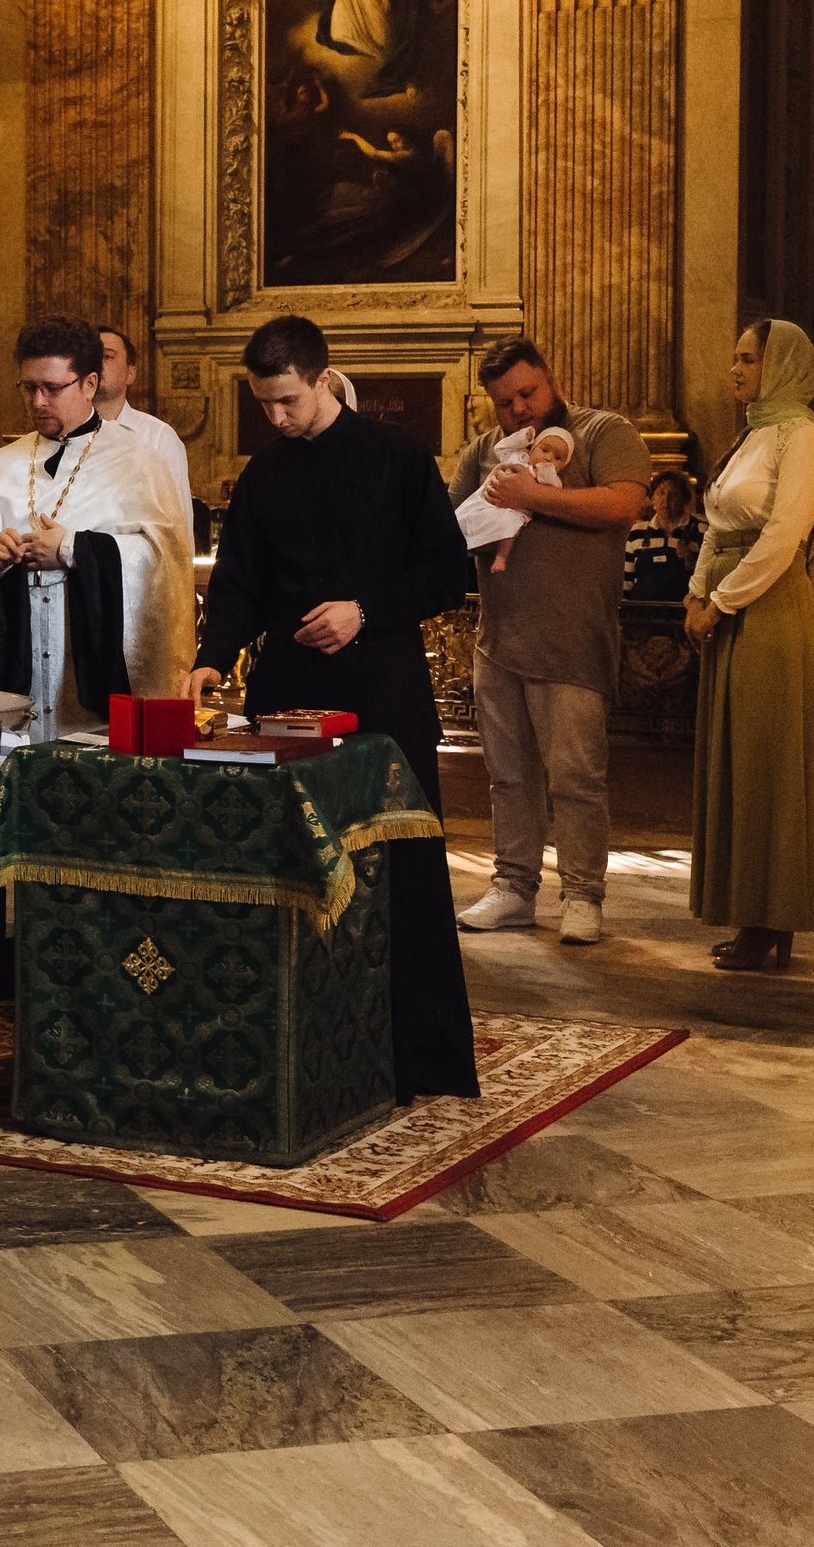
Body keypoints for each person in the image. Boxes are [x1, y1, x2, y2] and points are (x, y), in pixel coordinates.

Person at [183, 314, 479, 1101]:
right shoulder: (264, 474)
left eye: (285, 400)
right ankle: (295, 1039)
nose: (275, 418)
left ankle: (416, 1053)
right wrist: (212, 660)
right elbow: (241, 580)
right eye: (263, 404)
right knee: (292, 862)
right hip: (287, 691)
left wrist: (363, 610)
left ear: (321, 378)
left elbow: (448, 574)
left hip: (383, 689)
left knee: (402, 870)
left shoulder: (399, 459)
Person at [446, 337, 651, 947]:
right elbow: (448, 527)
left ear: (551, 376)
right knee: (508, 776)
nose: (520, 410)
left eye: (528, 393)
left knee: (575, 778)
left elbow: (624, 503)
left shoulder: (600, 430)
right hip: (499, 640)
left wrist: (532, 496)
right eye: (505, 402)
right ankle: (513, 887)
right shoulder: (483, 450)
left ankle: (583, 894)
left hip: (572, 640)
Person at [0, 318, 196, 738]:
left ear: (89, 384)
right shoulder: (0, 464)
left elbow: (166, 556)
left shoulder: (137, 459)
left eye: (53, 388)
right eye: (29, 387)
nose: (39, 402)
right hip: (19, 666)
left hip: (89, 678)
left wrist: (73, 549)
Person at [687, 318, 814, 969]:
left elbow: (782, 538)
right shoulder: (750, 434)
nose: (735, 370)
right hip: (729, 609)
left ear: (781, 367)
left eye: (748, 360)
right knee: (736, 760)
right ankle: (748, 908)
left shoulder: (803, 438)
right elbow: (718, 525)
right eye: (736, 358)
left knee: (767, 761)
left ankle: (776, 916)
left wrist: (721, 600)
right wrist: (696, 594)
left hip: (770, 611)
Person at [95, 326, 195, 525]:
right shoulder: (64, 433)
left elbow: (179, 523)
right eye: (90, 356)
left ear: (130, 373)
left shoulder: (159, 437)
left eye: (107, 356)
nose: (96, 363)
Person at [454, 423, 575, 573]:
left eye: (558, 458)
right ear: (533, 448)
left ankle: (501, 556)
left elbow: (553, 493)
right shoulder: (518, 456)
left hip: (514, 511)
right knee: (466, 516)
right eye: (544, 450)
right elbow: (501, 448)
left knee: (509, 526)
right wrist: (525, 437)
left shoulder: (546, 477)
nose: (549, 457)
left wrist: (546, 470)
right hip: (488, 499)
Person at [624, 472, 704, 600]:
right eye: (660, 493)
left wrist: (691, 561)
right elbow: (626, 579)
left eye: (673, 494)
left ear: (684, 499)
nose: (666, 500)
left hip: (683, 611)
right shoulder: (637, 532)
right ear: (652, 498)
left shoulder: (700, 530)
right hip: (643, 612)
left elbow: (708, 578)